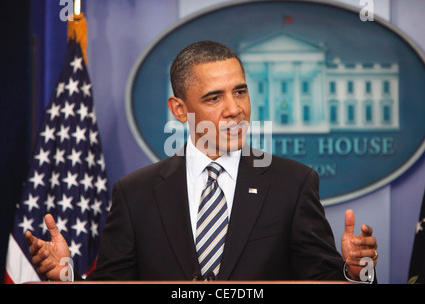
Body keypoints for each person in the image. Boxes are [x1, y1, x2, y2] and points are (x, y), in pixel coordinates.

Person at [25, 41, 378, 282]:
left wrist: (351, 271)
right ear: (179, 109)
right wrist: (68, 277)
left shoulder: (292, 183)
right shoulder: (135, 194)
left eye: (240, 91)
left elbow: (320, 281)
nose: (234, 109)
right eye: (214, 97)